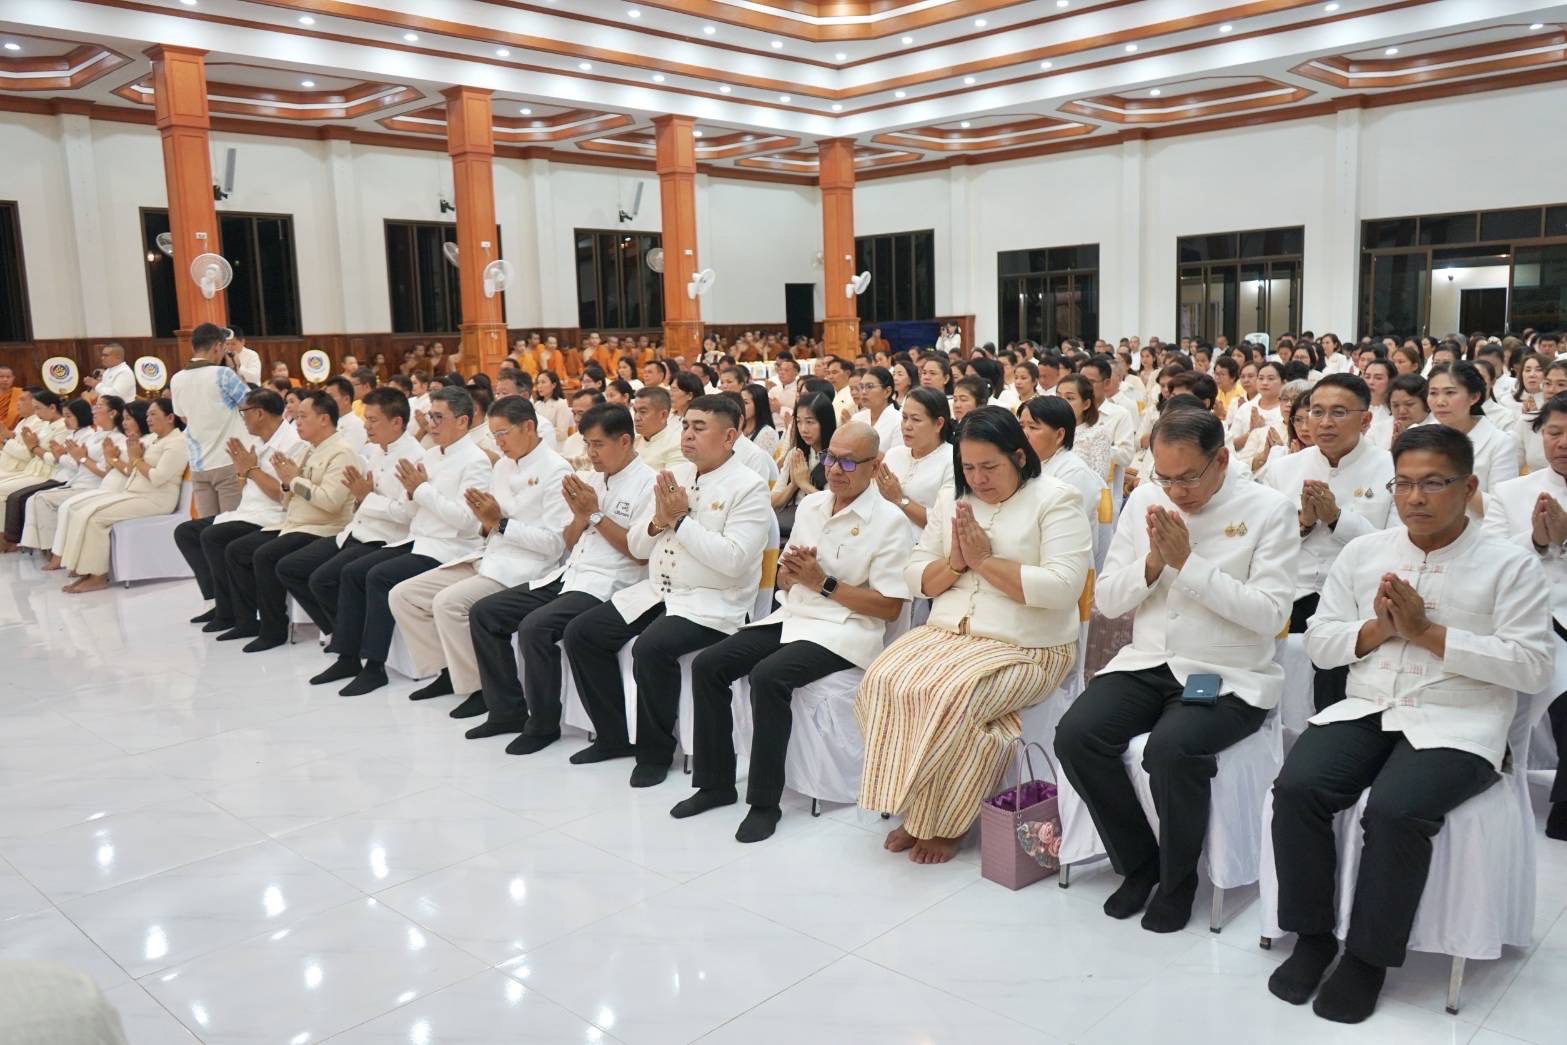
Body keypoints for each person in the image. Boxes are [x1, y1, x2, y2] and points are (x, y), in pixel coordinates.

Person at [1270, 425, 1551, 1023]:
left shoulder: (1510, 565)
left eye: (1433, 483)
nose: (1415, 498)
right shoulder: (1364, 552)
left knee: (1396, 810)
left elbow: (1530, 666)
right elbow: (1320, 642)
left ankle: (1367, 959)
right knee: (1297, 788)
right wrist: (1378, 631)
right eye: (1403, 484)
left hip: (1460, 719)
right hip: (1370, 704)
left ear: (1468, 485)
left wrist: (1428, 633)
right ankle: (1313, 935)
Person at [1054, 409, 1298, 931]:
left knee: (1171, 749)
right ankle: (1139, 864)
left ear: (1223, 460)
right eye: (1166, 477)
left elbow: (1272, 615)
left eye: (1188, 477)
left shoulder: (1268, 509)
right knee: (1077, 735)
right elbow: (1110, 602)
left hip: (1228, 671)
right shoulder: (1146, 499)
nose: (1176, 491)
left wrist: (1189, 565)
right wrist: (1152, 565)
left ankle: (1178, 877)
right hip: (1149, 660)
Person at [857, 407, 1091, 864]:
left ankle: (945, 824)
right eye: (969, 467)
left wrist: (985, 562)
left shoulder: (1056, 499)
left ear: (1020, 457)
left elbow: (1064, 588)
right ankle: (917, 807)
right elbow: (914, 572)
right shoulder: (952, 499)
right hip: (950, 633)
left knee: (954, 697)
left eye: (990, 467)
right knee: (881, 680)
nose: (978, 479)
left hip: (1029, 645)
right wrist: (956, 565)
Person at [678, 421, 912, 842]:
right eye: (829, 458)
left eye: (847, 462)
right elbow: (787, 577)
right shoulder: (813, 505)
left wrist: (823, 582)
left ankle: (765, 802)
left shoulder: (890, 521)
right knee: (711, 664)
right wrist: (792, 577)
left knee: (770, 677)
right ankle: (715, 784)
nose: (835, 470)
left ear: (875, 465)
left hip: (846, 629)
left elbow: (889, 606)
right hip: (795, 615)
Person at [562, 395, 771, 786]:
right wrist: (659, 521)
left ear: (729, 436)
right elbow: (640, 547)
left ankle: (654, 752)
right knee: (582, 633)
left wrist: (680, 521)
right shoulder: (676, 475)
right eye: (686, 426)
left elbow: (733, 560)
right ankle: (612, 736)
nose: (687, 436)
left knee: (650, 648)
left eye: (699, 428)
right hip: (660, 592)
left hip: (712, 602)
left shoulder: (749, 487)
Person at [464, 403, 654, 751]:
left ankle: (543, 724)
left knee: (536, 627)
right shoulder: (592, 479)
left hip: (610, 582)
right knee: (485, 613)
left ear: (625, 441)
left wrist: (594, 515)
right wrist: (581, 519)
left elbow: (638, 553)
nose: (590, 453)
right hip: (571, 573)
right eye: (587, 444)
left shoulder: (649, 484)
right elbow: (567, 543)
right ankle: (506, 710)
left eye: (598, 445)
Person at [388, 395, 573, 717]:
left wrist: (499, 523)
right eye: (494, 435)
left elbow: (554, 545)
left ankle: (479, 689)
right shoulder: (502, 465)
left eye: (503, 434)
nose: (498, 443)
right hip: (489, 555)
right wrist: (489, 524)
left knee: (448, 603)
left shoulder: (557, 469)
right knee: (404, 594)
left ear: (528, 427)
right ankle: (448, 673)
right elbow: (483, 523)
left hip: (526, 568)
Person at [310, 385, 491, 696]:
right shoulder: (432, 455)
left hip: (449, 548)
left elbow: (468, 522)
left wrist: (419, 491)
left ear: (463, 421)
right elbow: (412, 509)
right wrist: (408, 493)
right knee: (353, 573)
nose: (431, 424)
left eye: (439, 417)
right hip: (418, 539)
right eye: (430, 416)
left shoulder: (476, 461)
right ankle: (349, 655)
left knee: (378, 576)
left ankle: (375, 667)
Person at [1261, 374, 1394, 709]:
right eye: (1315, 412)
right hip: (1296, 587)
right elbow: (1266, 545)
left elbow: (1394, 547)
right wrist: (1303, 523)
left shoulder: (1391, 468)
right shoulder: (1284, 469)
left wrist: (1337, 518)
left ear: (1365, 420)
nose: (1323, 423)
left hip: (1356, 593)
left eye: (1338, 412)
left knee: (1335, 682)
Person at [275, 387, 424, 639]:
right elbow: (288, 501)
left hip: (386, 538)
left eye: (373, 420)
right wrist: (360, 499)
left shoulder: (413, 457)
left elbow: (405, 514)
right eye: (366, 419)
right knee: (290, 568)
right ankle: (341, 633)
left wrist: (366, 498)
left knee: (326, 578)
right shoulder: (377, 450)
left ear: (397, 422)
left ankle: (349, 640)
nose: (366, 426)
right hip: (356, 529)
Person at [1484, 394, 1567, 840]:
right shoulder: (1511, 493)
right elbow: (1492, 561)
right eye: (1554, 433)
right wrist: (1536, 540)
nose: (1563, 443)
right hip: (1528, 619)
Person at [220, 390, 360, 651]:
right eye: (296, 417)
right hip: (296, 523)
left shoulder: (341, 453)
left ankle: (275, 629)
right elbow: (288, 500)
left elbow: (330, 502)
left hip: (323, 528)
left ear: (324, 419)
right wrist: (287, 483)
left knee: (267, 556)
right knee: (239, 549)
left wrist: (293, 480)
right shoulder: (310, 451)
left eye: (303, 416)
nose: (297, 423)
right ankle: (248, 619)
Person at [173, 388, 305, 633]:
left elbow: (283, 495)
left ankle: (233, 611)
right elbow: (248, 483)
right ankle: (222, 601)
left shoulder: (292, 443)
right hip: (248, 511)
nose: (242, 418)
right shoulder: (256, 441)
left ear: (259, 413)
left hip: (273, 516)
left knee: (213, 537)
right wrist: (242, 471)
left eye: (243, 412)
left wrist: (251, 469)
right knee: (186, 532)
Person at [58, 398, 190, 594]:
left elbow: (157, 478)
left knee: (95, 518)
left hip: (156, 500)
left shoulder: (177, 443)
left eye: (153, 414)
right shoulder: (156, 439)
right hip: (137, 494)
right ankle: (83, 570)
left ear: (170, 417)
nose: (148, 418)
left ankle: (98, 576)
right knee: (82, 511)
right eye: (147, 415)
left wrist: (136, 458)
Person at [168, 323, 248, 516]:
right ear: (217, 347)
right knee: (232, 528)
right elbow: (251, 404)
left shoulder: (176, 378)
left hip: (199, 465)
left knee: (208, 530)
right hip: (228, 461)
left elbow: (183, 416)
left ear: (193, 347)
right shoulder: (223, 374)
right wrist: (235, 370)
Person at [1426, 362, 1518, 513]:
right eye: (1433, 393)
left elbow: (1502, 509)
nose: (1440, 402)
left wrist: (1452, 480)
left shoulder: (1500, 443)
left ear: (1474, 397)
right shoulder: (1418, 436)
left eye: (1450, 393)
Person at [0, 398, 91, 551]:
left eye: (69, 416)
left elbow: (36, 454)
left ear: (52, 407)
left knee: (16, 496)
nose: (36, 413)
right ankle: (11, 540)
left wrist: (28, 446)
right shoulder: (47, 428)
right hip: (41, 470)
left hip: (50, 474)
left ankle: (11, 541)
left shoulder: (66, 430)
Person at [1020, 395, 1110, 536]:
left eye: (1033, 427)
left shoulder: (1074, 473)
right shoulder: (1026, 464)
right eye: (1021, 426)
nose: (1024, 434)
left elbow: (1066, 529)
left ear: (1059, 435)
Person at [876, 386, 954, 541]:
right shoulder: (893, 455)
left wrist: (900, 500)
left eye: (916, 419)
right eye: (904, 418)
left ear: (938, 424)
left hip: (923, 546)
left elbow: (944, 523)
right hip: (881, 538)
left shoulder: (952, 460)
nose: (907, 426)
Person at [772, 392, 833, 539]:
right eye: (798, 421)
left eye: (810, 422)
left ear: (825, 422)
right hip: (791, 525)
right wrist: (794, 484)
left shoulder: (838, 457)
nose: (803, 429)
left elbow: (836, 506)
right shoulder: (796, 454)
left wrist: (804, 485)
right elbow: (773, 503)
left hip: (824, 528)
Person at [632, 386, 684, 471]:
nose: (636, 418)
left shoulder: (677, 445)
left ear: (663, 415)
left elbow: (671, 483)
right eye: (635, 411)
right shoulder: (634, 441)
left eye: (643, 412)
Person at [850, 366, 901, 451]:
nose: (863, 392)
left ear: (887, 391)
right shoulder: (856, 418)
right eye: (862, 387)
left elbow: (896, 458)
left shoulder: (899, 421)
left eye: (870, 387)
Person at [325, 376, 368, 454]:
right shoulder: (327, 422)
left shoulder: (356, 425)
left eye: (331, 397)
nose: (326, 401)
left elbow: (345, 455)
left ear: (346, 399)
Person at [532, 370, 571, 449]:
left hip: (556, 446)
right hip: (539, 445)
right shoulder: (537, 405)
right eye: (538, 383)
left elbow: (562, 433)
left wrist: (541, 434)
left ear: (553, 385)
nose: (539, 386)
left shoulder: (561, 404)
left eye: (543, 382)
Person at [740, 383, 779, 458]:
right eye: (740, 402)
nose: (741, 406)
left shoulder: (768, 433)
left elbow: (760, 462)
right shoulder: (738, 427)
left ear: (759, 405)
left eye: (745, 403)